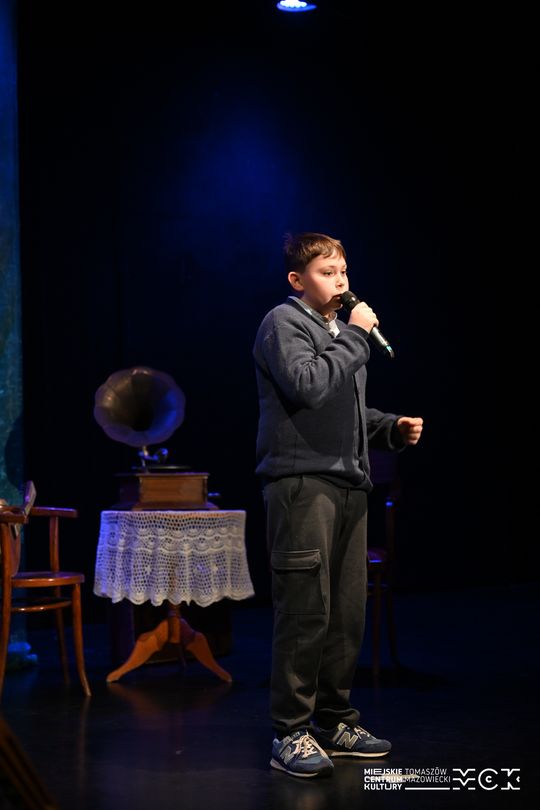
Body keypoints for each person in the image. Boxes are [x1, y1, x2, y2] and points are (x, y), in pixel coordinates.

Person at [253, 232, 423, 779]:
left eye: (344, 271)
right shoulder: (284, 323)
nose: (341, 281)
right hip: (302, 486)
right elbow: (308, 386)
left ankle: (333, 720)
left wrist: (389, 428)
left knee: (347, 613)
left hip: (349, 486)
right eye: (328, 272)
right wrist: (356, 335)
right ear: (297, 280)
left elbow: (343, 408)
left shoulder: (336, 333)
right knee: (305, 610)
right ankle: (289, 731)